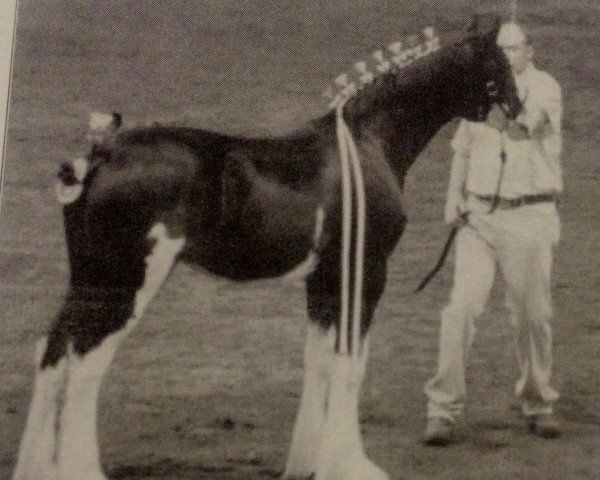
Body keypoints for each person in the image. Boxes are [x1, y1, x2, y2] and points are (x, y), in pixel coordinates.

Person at [423, 22, 563, 445]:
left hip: (529, 217)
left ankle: (539, 403)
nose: (507, 56)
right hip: (479, 218)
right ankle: (442, 411)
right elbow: (463, 149)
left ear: (530, 51)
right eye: (500, 50)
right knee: (459, 311)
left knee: (531, 316)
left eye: (514, 49)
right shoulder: (480, 93)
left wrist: (492, 103)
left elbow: (529, 127)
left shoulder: (545, 87)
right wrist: (453, 199)